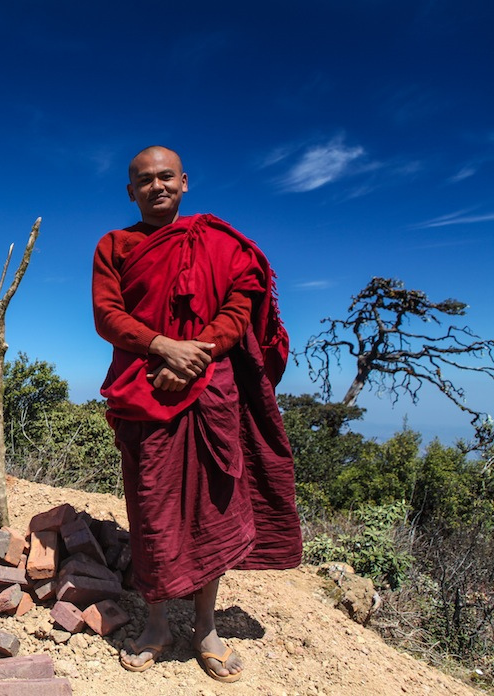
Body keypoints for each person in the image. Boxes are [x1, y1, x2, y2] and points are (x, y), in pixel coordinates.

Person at [92, 146, 302, 682]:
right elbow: (107, 315)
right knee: (152, 508)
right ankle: (159, 623)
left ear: (185, 182)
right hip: (144, 388)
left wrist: (191, 359)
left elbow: (241, 305)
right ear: (130, 191)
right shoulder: (114, 246)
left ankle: (204, 626)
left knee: (214, 506)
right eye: (144, 180)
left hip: (210, 391)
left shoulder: (220, 243)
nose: (156, 186)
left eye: (166, 177)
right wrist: (163, 346)